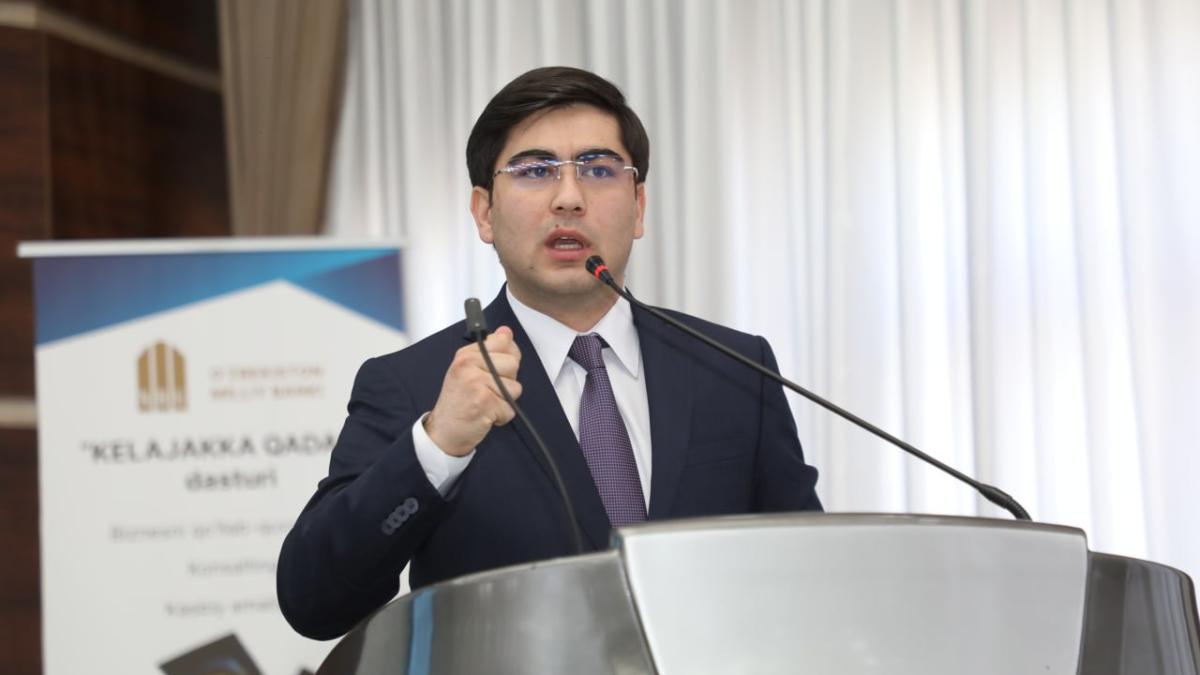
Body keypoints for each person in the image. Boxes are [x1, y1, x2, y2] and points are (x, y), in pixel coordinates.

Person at [277, 66, 822, 641]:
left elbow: (809, 576)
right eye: (535, 171)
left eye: (599, 169)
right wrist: (437, 446)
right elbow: (314, 601)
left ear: (638, 206)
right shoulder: (414, 384)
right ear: (484, 213)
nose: (569, 198)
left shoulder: (733, 368)